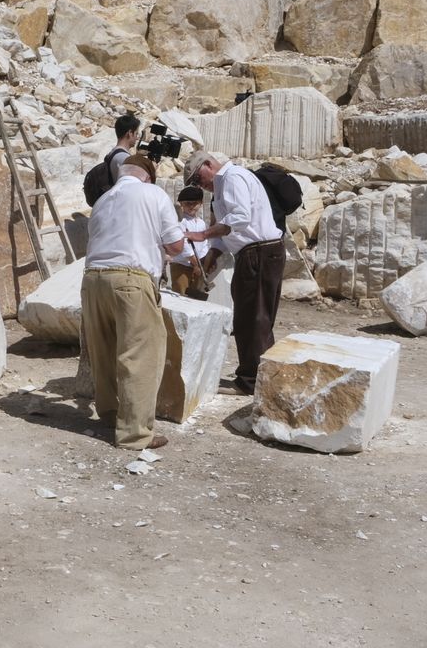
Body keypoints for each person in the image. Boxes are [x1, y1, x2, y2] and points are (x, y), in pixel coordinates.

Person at [81, 155, 186, 450]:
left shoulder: (102, 200)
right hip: (131, 278)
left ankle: (111, 413)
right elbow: (175, 246)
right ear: (148, 176)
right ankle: (134, 433)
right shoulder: (153, 194)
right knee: (140, 354)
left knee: (103, 351)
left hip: (92, 280)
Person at [182, 150, 284, 395]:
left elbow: (240, 218)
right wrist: (213, 254)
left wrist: (204, 235)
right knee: (253, 315)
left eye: (198, 178)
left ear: (208, 164)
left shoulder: (232, 178)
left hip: (258, 252)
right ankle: (262, 376)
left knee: (253, 317)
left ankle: (249, 380)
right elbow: (227, 230)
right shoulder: (220, 188)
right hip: (253, 253)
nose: (200, 186)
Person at [167, 186, 211, 296]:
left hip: (198, 266)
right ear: (181, 204)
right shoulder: (181, 221)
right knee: (180, 296)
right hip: (181, 265)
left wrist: (201, 264)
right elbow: (184, 245)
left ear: (200, 203)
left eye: (194, 203)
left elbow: (204, 243)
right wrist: (196, 263)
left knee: (195, 298)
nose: (191, 207)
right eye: (187, 203)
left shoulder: (201, 223)